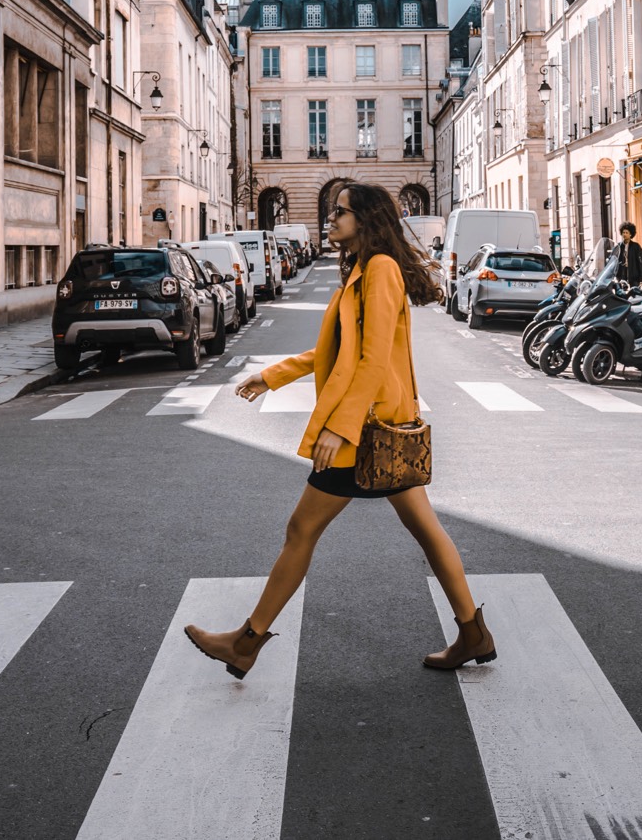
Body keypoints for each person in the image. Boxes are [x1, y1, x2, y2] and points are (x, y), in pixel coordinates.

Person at [183, 181, 495, 679]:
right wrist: (274, 375)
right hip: (384, 423)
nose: (330, 220)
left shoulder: (380, 270)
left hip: (368, 429)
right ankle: (472, 632)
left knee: (301, 530)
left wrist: (342, 430)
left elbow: (371, 362)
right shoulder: (363, 269)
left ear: (365, 221)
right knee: (424, 529)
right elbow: (343, 351)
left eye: (340, 212)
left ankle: (246, 643)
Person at [614, 222, 642, 287]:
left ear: (631, 234)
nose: (624, 234)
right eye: (623, 232)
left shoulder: (636, 246)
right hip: (621, 276)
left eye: (626, 233)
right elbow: (613, 259)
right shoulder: (618, 246)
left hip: (634, 276)